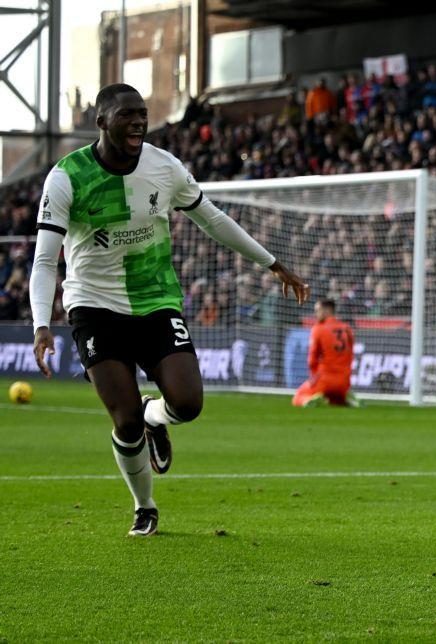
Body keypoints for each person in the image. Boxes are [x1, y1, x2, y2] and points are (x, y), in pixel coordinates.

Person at [30, 84, 310, 537]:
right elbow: (45, 259)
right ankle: (145, 506)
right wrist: (43, 323)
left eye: (143, 113)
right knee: (122, 418)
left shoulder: (165, 167)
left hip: (156, 299)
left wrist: (272, 263)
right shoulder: (67, 177)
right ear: (102, 122)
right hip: (94, 306)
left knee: (188, 403)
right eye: (127, 115)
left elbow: (213, 218)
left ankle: (154, 416)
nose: (139, 121)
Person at [292, 299, 358, 407]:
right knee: (333, 401)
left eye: (318, 310)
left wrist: (314, 378)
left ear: (327, 310)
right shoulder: (347, 329)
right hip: (343, 383)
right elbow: (351, 356)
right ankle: (347, 399)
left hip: (324, 381)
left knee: (298, 396)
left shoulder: (318, 329)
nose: (316, 314)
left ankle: (308, 400)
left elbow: (312, 359)